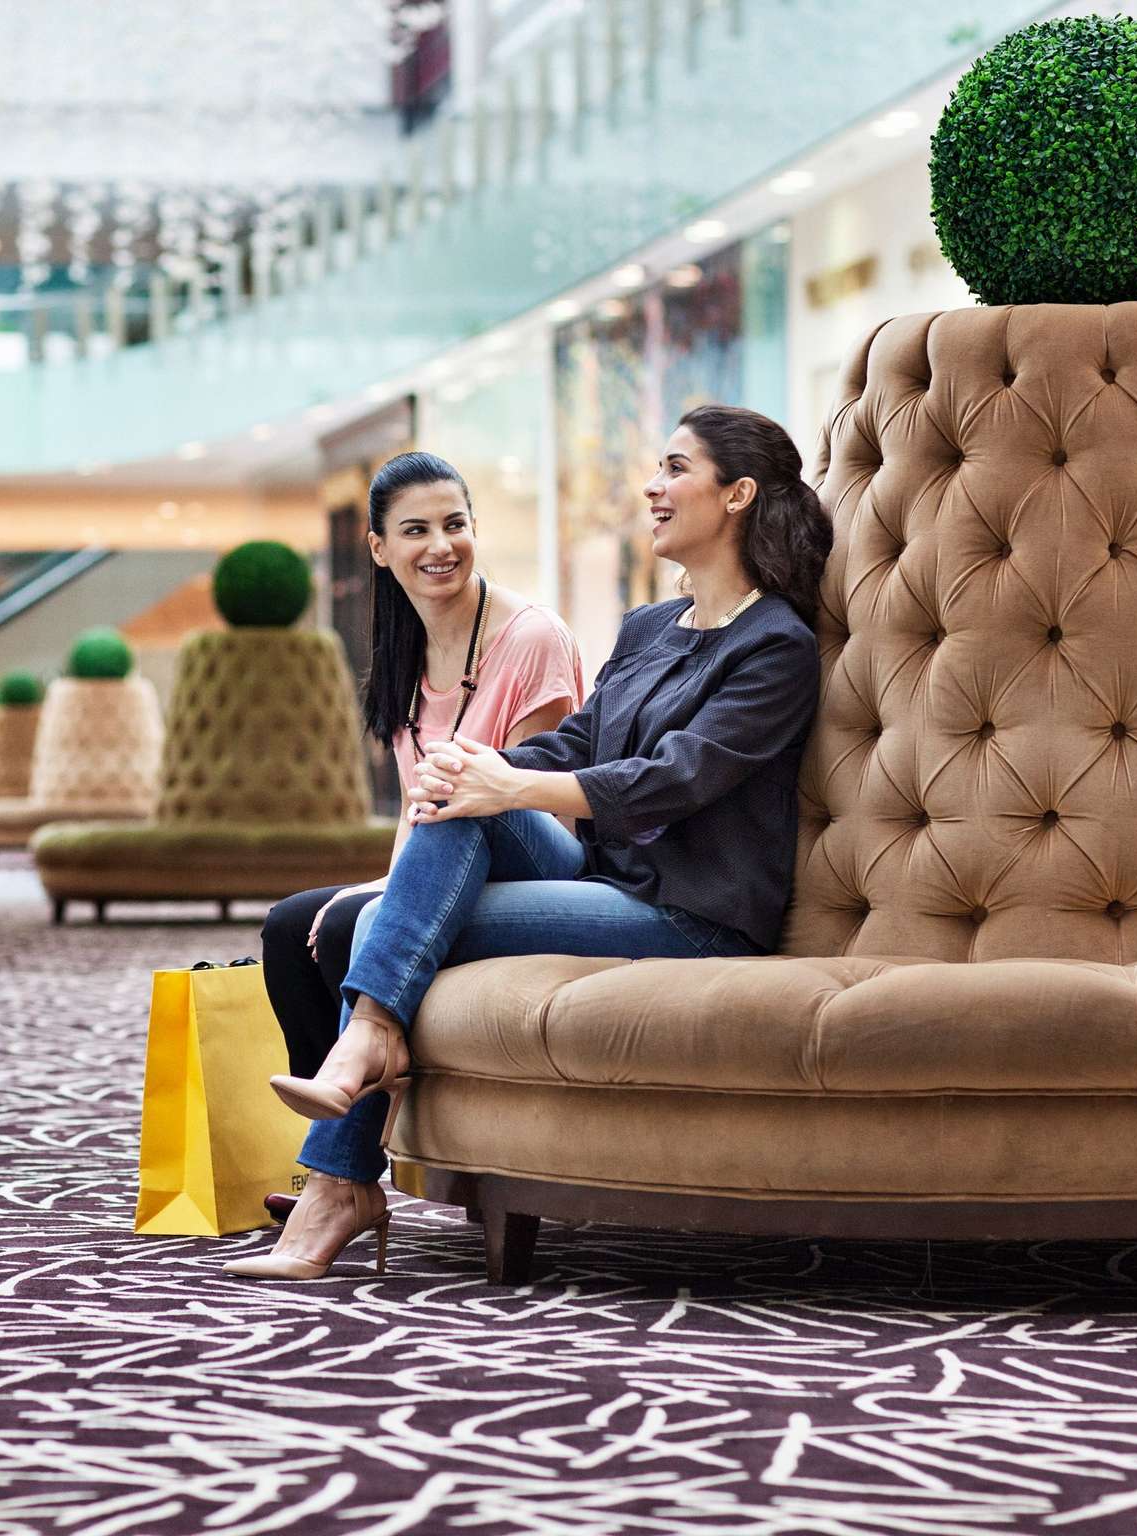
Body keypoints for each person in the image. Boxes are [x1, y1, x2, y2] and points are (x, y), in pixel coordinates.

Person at [227, 405, 834, 1281]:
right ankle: (365, 1066)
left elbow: (675, 779)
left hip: (692, 915)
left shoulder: (775, 645)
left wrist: (508, 787)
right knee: (456, 789)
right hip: (606, 879)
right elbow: (577, 744)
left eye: (675, 469)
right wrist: (480, 768)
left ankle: (340, 1166)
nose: (652, 488)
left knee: (377, 922)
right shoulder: (650, 628)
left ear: (737, 494)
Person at [259, 451, 583, 1216]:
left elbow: (535, 798)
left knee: (352, 920)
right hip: (444, 849)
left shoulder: (530, 637)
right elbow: (416, 805)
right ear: (379, 549)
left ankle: (346, 1173)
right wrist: (379, 885)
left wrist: (376, 899)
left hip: (535, 854)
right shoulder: (406, 646)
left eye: (454, 524)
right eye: (415, 531)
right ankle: (334, 1170)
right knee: (291, 927)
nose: (440, 546)